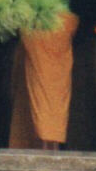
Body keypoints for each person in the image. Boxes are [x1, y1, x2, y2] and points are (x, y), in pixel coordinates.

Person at [21, 9, 80, 149]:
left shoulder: (36, 24)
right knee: (57, 111)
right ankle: (54, 146)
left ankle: (46, 146)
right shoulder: (67, 20)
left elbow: (25, 34)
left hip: (42, 70)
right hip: (59, 74)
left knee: (42, 108)